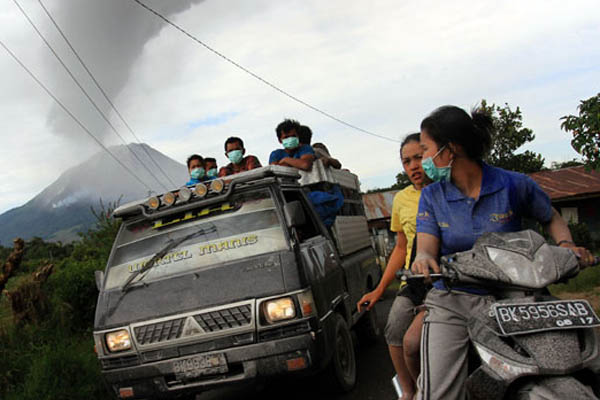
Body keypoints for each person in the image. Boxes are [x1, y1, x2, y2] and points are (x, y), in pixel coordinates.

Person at [411, 105, 594, 400]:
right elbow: (426, 247)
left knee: (575, 362)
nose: (423, 160)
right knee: (438, 395)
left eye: (426, 150)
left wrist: (567, 247)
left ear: (451, 149)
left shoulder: (513, 184)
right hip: (454, 300)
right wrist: (423, 260)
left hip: (518, 298)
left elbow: (552, 217)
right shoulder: (432, 196)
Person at [356, 133, 428, 400]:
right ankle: (409, 392)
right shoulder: (401, 200)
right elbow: (400, 247)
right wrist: (378, 290)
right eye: (406, 161)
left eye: (418, 157)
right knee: (395, 327)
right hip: (414, 282)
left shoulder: (448, 191)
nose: (413, 166)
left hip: (447, 279)